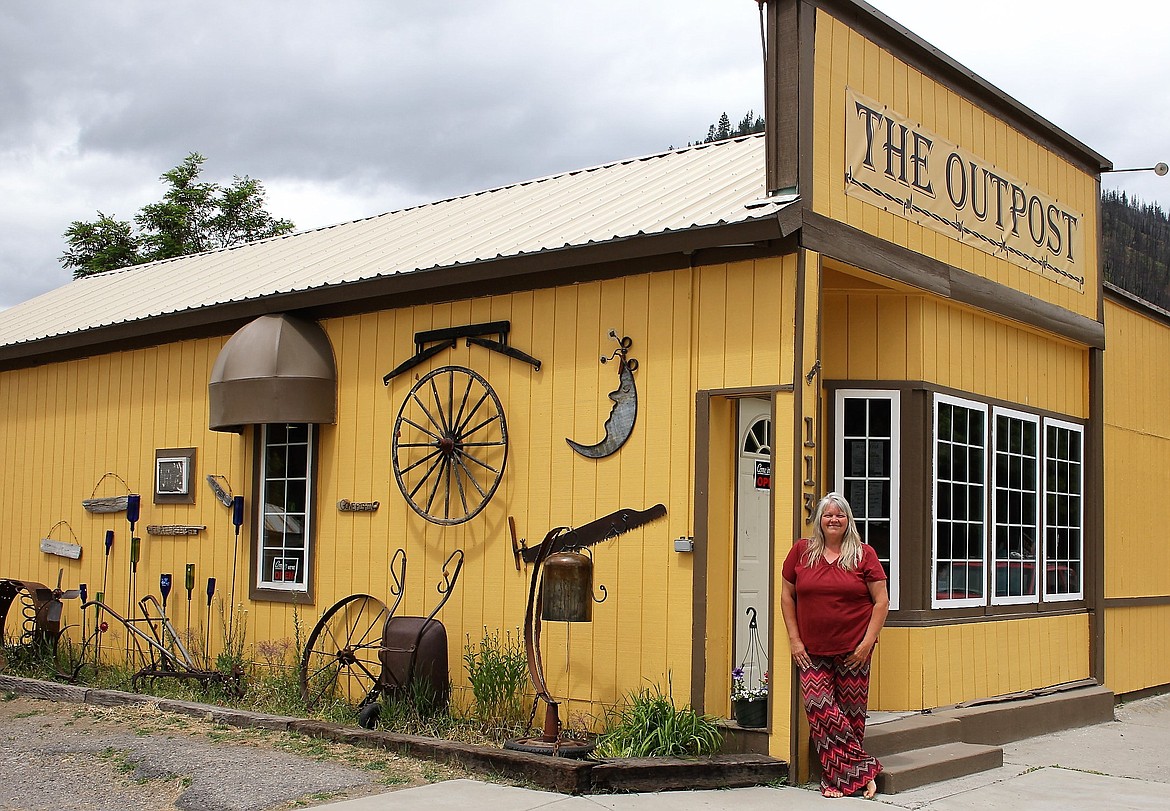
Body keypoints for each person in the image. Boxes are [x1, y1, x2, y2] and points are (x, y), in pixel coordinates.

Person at [781, 492, 889, 799]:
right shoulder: (801, 552)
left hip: (854, 650)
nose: (833, 519)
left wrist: (867, 643)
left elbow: (881, 602)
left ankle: (836, 780)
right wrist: (794, 639)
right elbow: (787, 595)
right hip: (811, 650)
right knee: (821, 709)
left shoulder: (863, 554)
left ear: (848, 520)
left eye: (839, 514)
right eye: (827, 514)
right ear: (818, 520)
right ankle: (864, 771)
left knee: (852, 715)